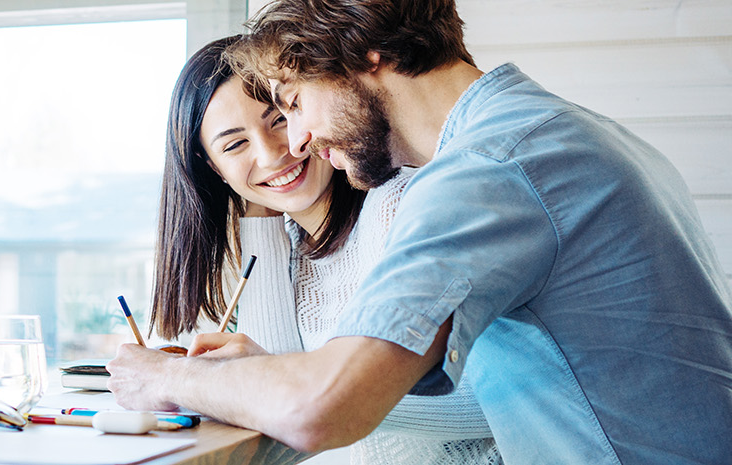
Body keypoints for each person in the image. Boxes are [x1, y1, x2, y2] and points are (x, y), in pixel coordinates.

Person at [109, 1, 732, 463]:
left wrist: (168, 373)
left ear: (367, 55)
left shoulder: (487, 171)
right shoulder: (564, 132)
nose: (295, 138)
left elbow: (322, 406)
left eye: (293, 103)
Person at [151, 35, 497, 464]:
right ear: (213, 169)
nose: (274, 153)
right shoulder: (288, 246)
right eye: (235, 144)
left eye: (279, 118)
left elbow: (484, 406)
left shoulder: (397, 204)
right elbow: (270, 396)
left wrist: (317, 394)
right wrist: (259, 212)